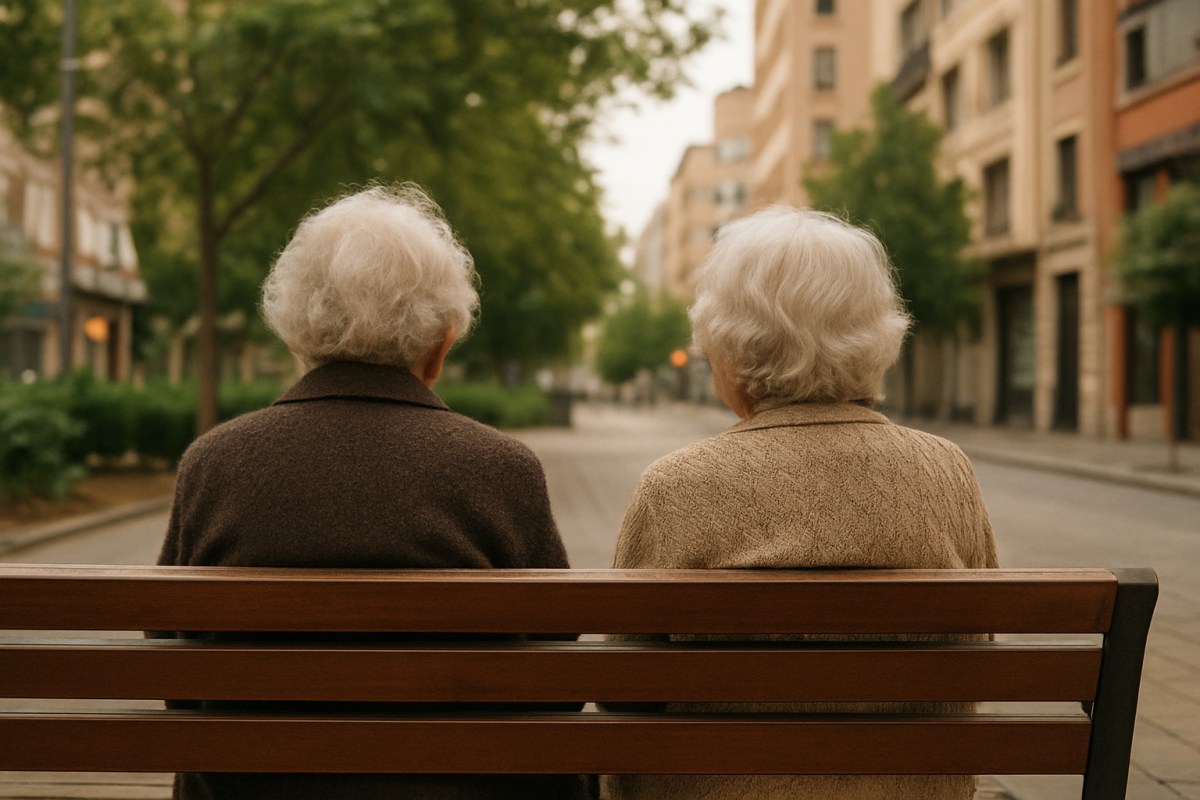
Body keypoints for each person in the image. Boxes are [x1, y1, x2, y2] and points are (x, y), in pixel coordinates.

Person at [154, 185, 589, 800]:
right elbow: (558, 679)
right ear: (441, 347)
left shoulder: (214, 464)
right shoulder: (503, 469)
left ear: (293, 335)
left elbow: (175, 670)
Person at [602, 207, 999, 800]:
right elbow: (979, 652)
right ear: (878, 339)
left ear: (731, 352)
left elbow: (622, 687)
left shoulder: (675, 486)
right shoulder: (946, 471)